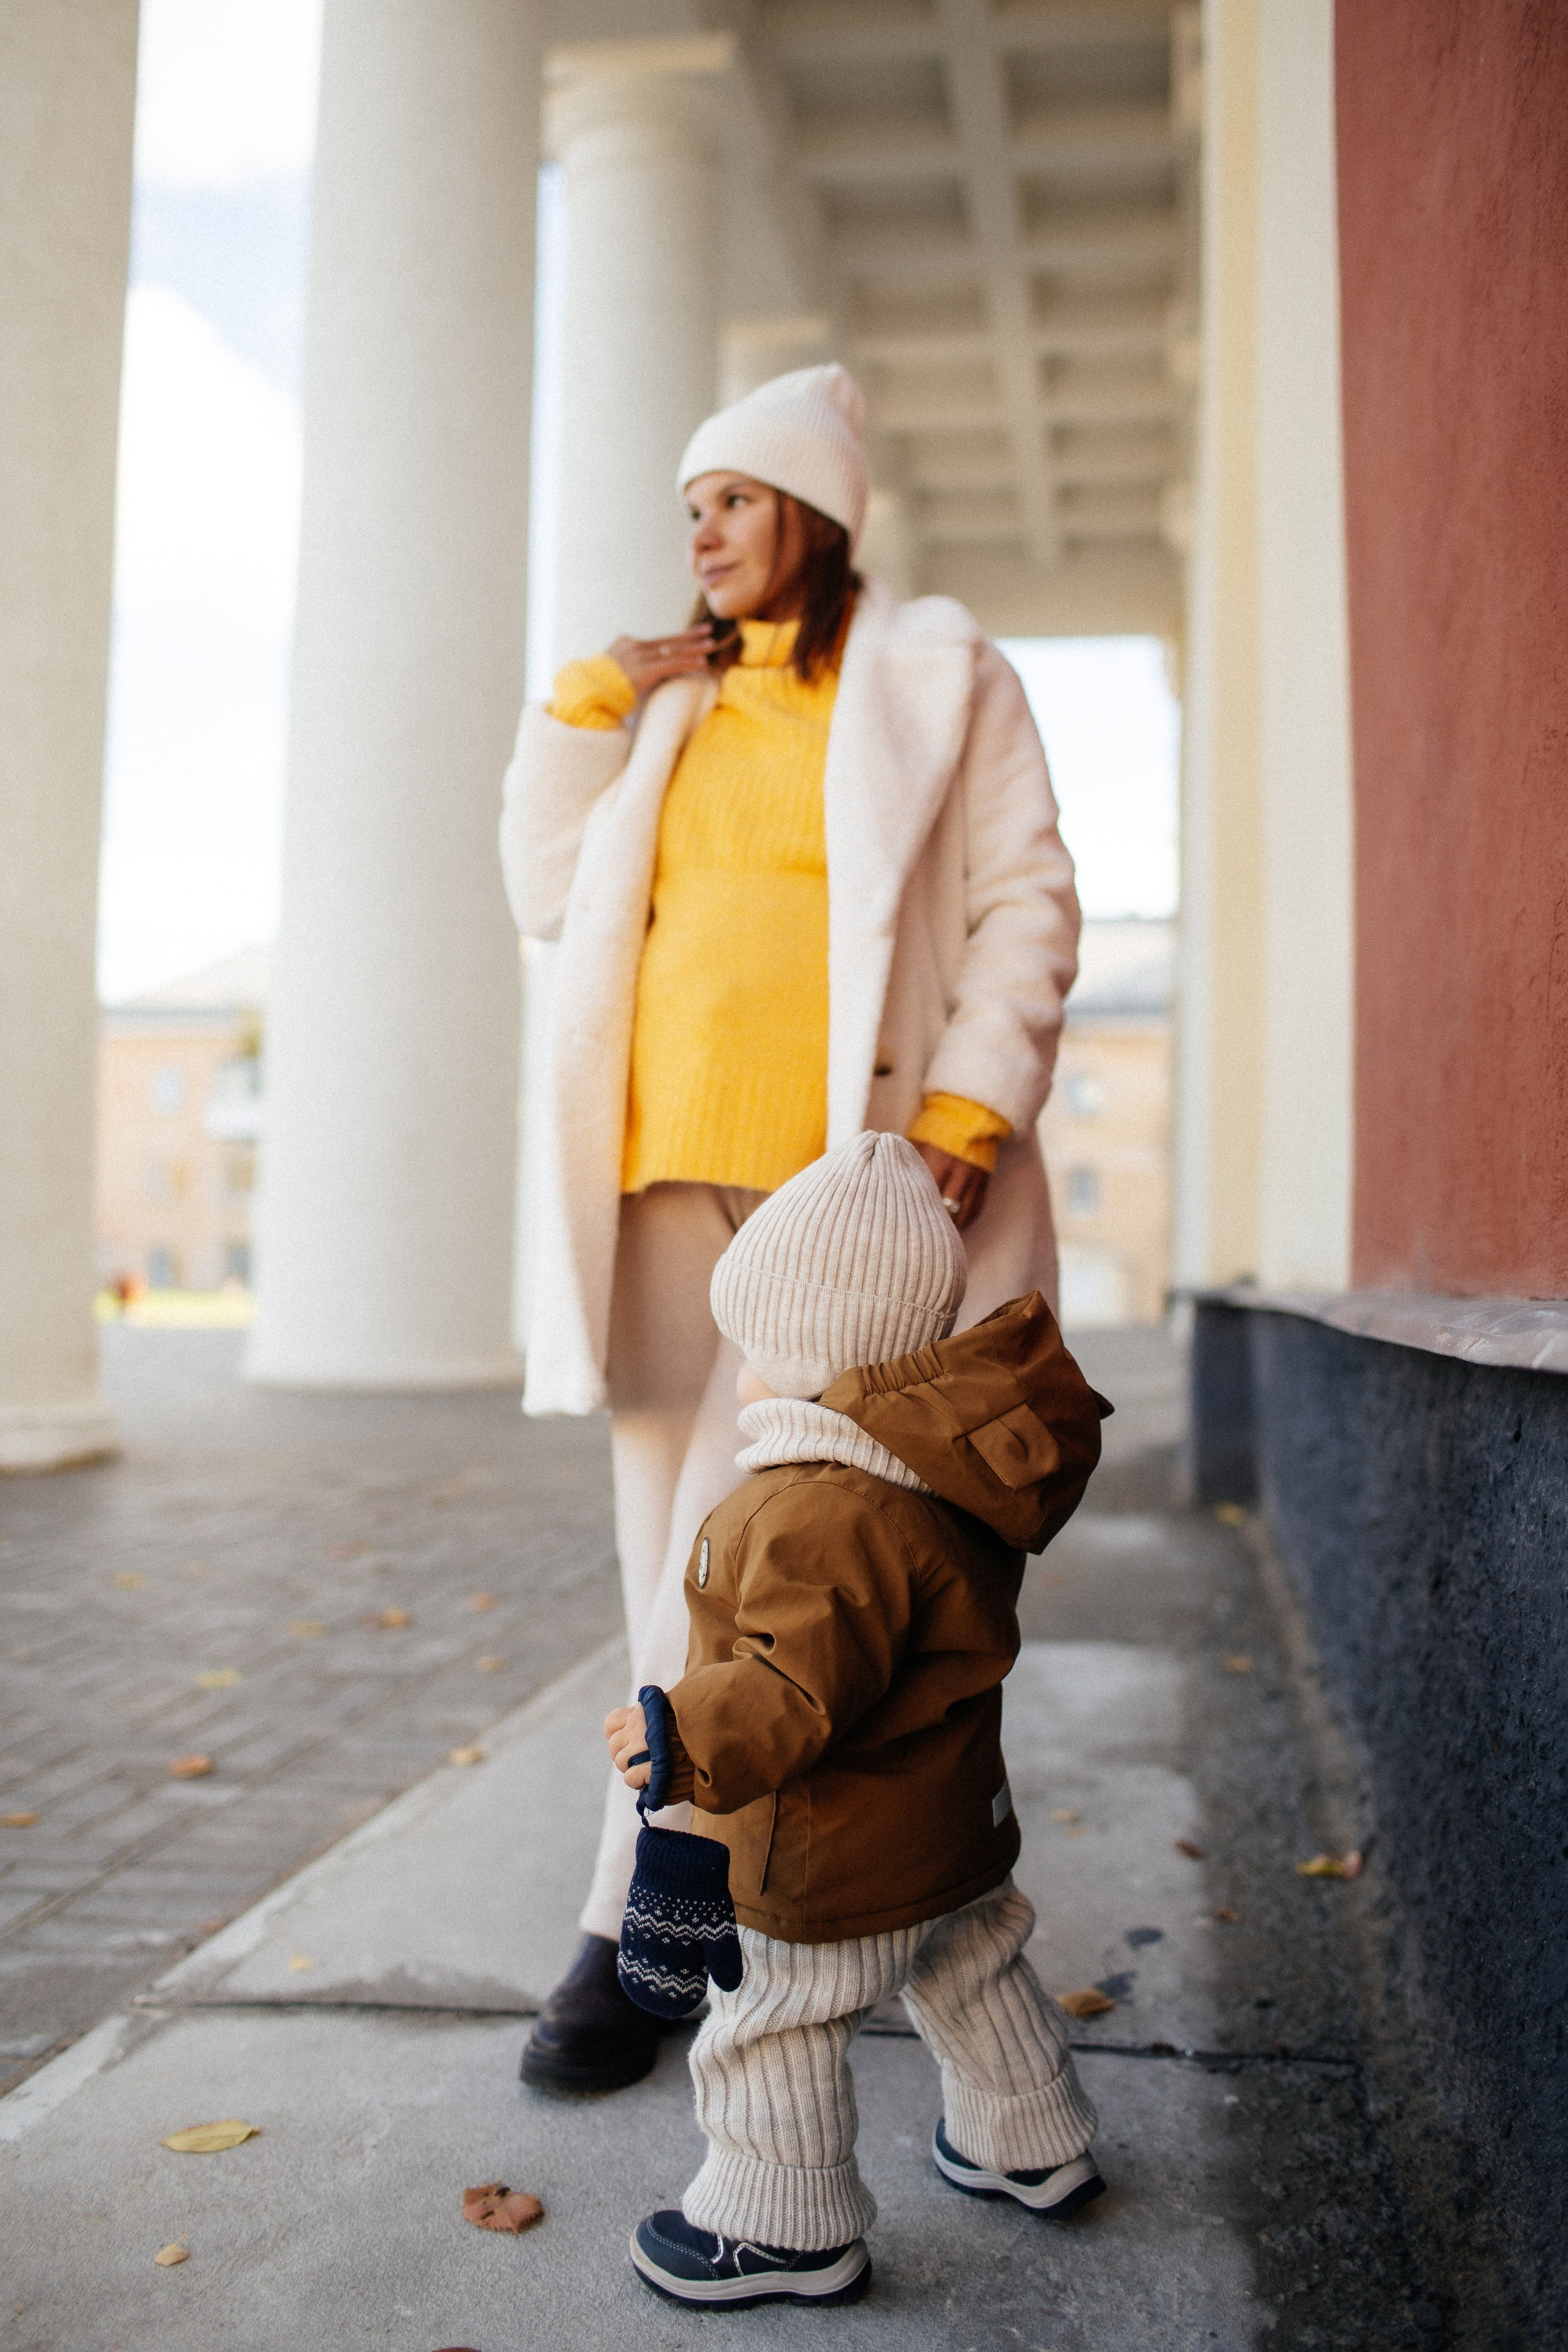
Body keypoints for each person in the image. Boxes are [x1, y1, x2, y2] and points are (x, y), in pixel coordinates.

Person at [500, 364, 1081, 2093]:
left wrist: (968, 1114)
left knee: (754, 1539)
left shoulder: (937, 674)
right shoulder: (671, 705)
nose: (702, 533)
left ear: (814, 516)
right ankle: (720, 1891)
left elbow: (1026, 896)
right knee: (672, 1558)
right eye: (691, 507)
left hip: (844, 1198)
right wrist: (587, 703)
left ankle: (638, 1917)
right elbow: (546, 889)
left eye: (735, 501)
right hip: (660, 1176)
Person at [605, 1131, 1109, 2310]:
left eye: (754, 1349)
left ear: (809, 1355)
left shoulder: (816, 1512)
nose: (741, 1374)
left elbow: (796, 1686)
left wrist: (681, 1731)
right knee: (975, 1968)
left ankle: (781, 2225)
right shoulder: (936, 1476)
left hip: (831, 1852)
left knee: (772, 2018)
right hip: (949, 1827)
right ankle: (1032, 2143)